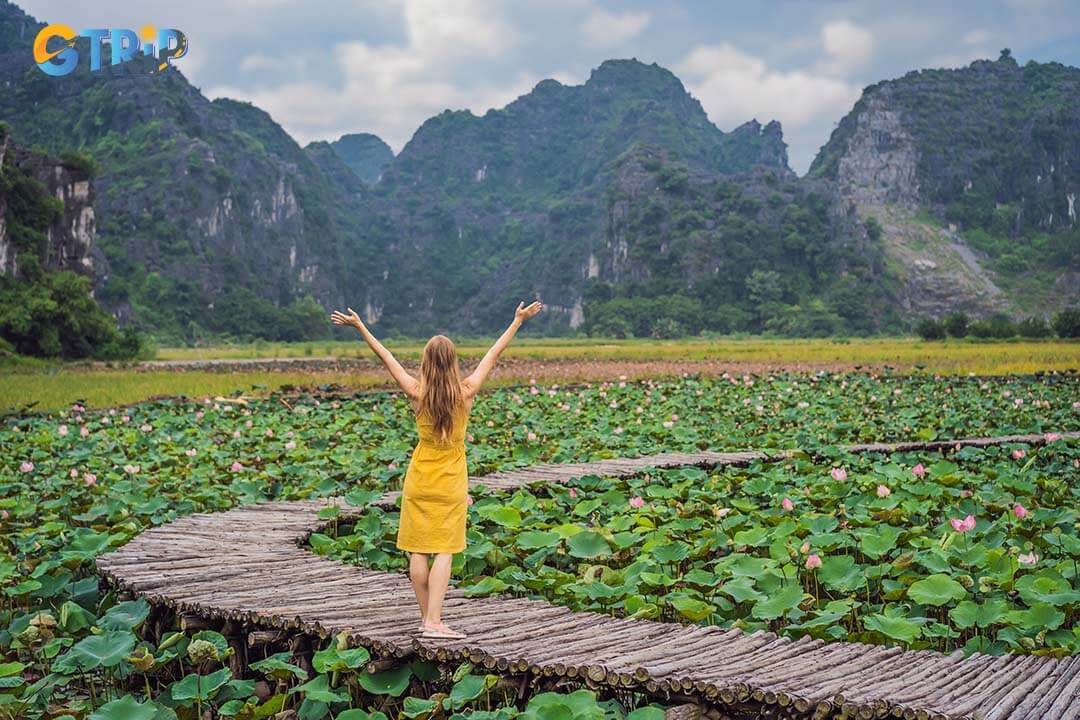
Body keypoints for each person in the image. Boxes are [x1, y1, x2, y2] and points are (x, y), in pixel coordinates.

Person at [329, 301, 543, 639]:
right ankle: (433, 621)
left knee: (417, 548)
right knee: (445, 548)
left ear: (426, 363)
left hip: (419, 477)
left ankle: (427, 618)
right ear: (454, 361)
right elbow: (494, 353)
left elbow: (387, 357)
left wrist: (360, 327)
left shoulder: (416, 392)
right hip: (450, 480)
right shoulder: (467, 392)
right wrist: (517, 321)